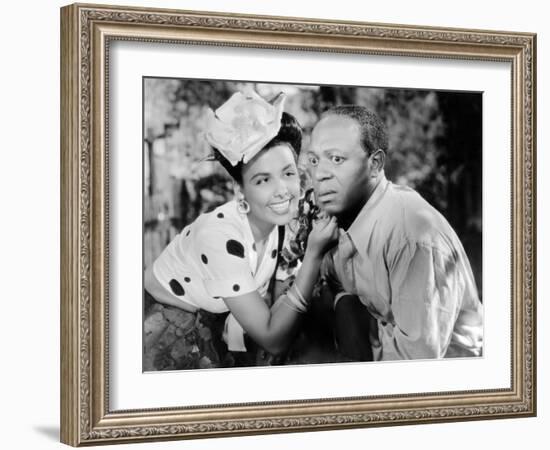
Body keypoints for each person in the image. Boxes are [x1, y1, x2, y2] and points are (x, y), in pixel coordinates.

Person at [144, 90, 338, 368]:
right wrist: (314, 257)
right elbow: (273, 338)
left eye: (288, 173)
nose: (282, 191)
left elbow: (276, 304)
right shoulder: (219, 237)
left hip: (212, 323)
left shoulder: (280, 225)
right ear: (240, 190)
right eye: (262, 180)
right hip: (161, 331)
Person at [306, 105, 483, 361]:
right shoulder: (340, 222)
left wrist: (355, 335)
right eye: (314, 160)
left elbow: (417, 363)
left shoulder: (412, 237)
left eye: (336, 159)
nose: (320, 174)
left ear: (375, 163)